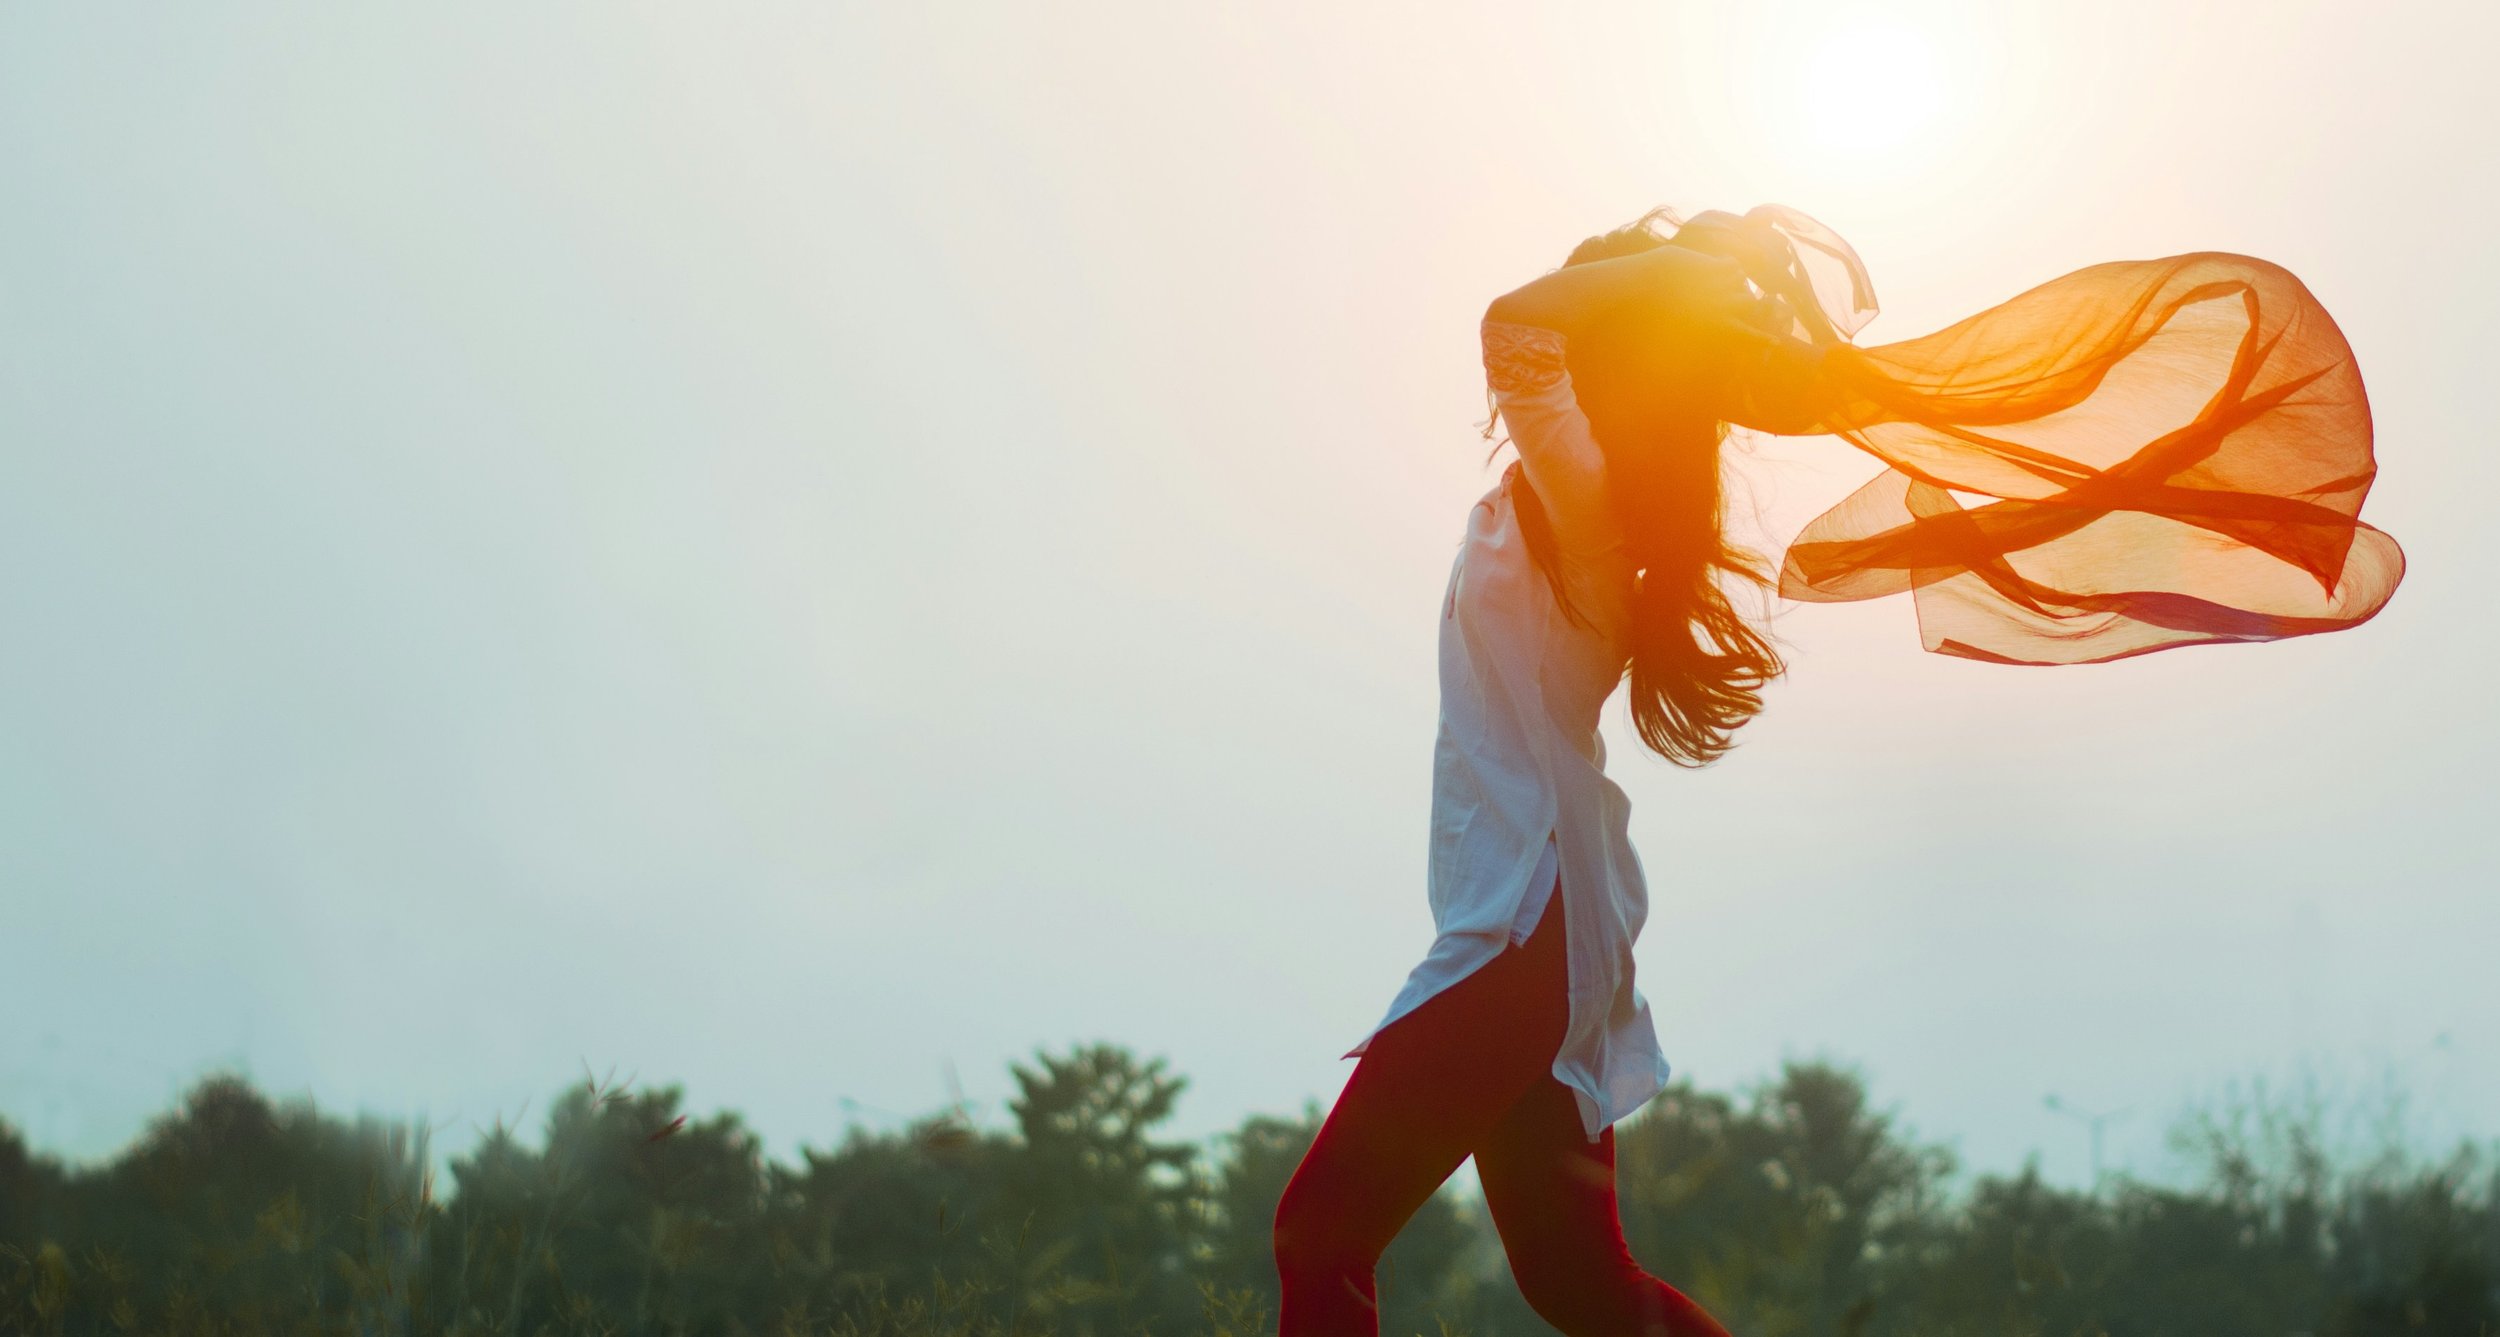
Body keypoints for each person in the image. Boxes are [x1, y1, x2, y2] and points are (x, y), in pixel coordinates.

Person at [1269, 205, 2402, 1337]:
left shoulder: (1586, 492)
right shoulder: (1588, 496)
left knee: (1322, 1231)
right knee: (1578, 1283)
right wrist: (1680, 281)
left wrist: (1680, 274)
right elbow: (1538, 329)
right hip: (1537, 919)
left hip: (1525, 921)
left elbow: (1514, 323)